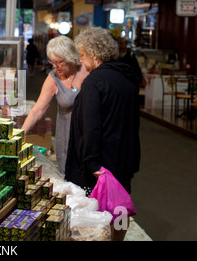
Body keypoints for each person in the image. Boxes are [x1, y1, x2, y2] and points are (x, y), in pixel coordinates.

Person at [65, 27, 141, 241]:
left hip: (101, 161)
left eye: (82, 54)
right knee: (121, 206)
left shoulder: (94, 82)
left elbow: (91, 126)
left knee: (95, 211)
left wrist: (91, 163)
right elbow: (134, 121)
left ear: (94, 54)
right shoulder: (127, 78)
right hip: (125, 156)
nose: (80, 60)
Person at [22, 35, 88, 174]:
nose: (55, 66)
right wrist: (21, 134)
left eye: (59, 62)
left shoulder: (88, 71)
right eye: (52, 62)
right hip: (67, 138)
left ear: (71, 58)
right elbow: (37, 110)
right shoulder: (54, 77)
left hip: (88, 137)